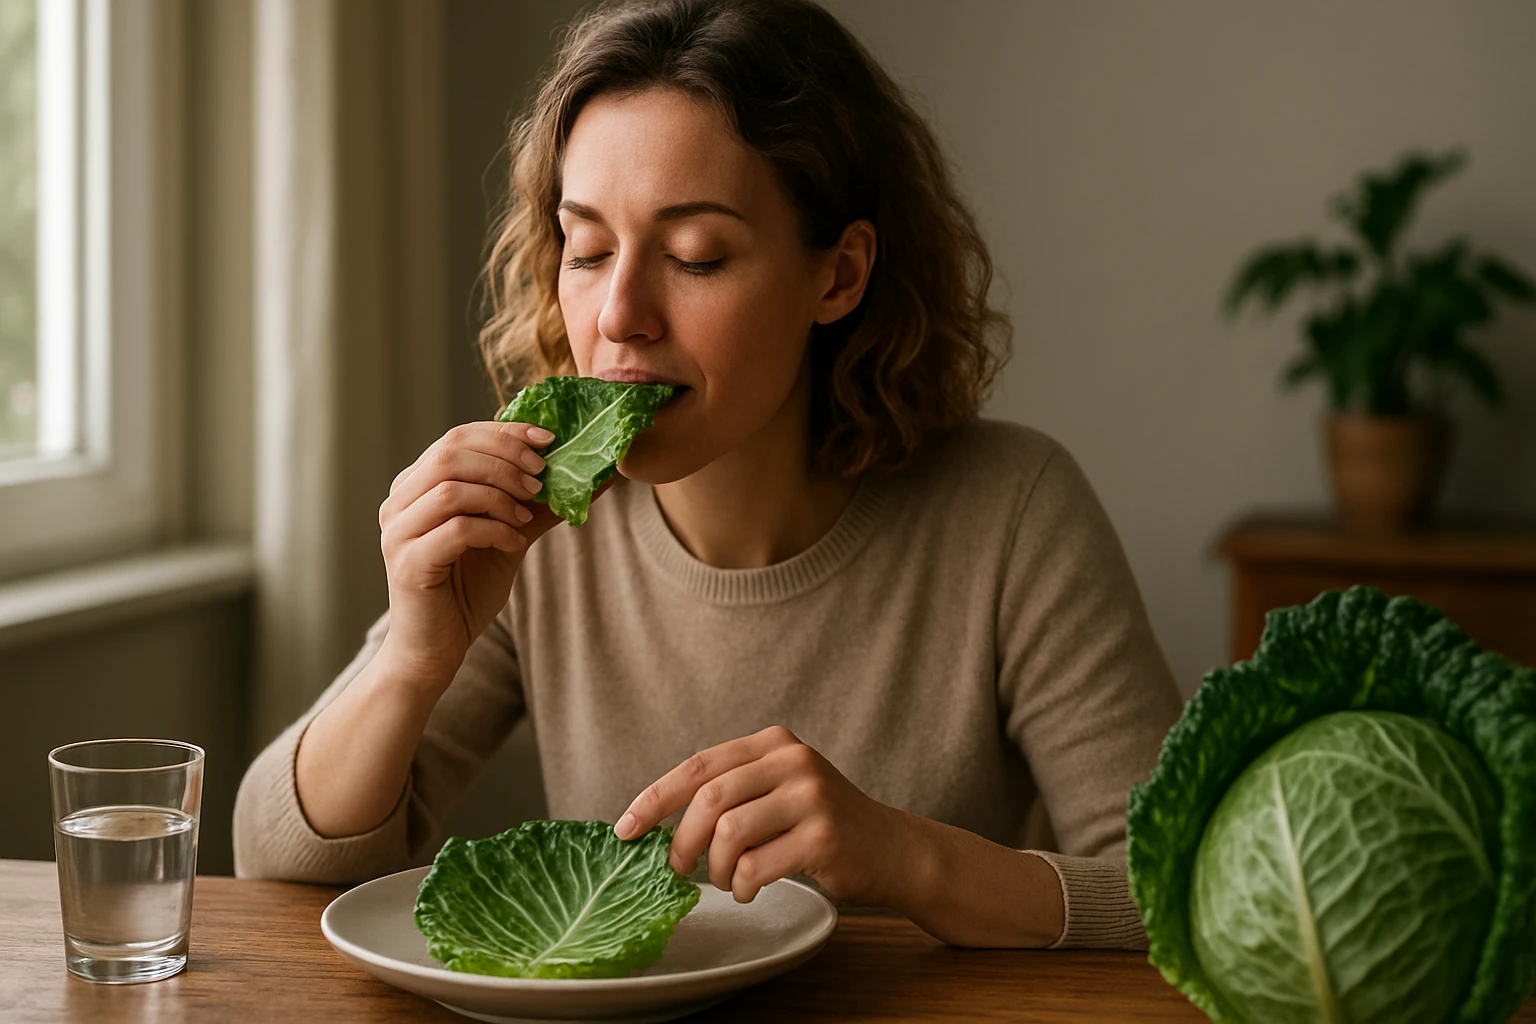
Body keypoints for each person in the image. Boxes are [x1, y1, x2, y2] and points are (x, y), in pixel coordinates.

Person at [233, 0, 1183, 950]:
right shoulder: (538, 524)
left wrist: (907, 857)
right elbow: (272, 863)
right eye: (589, 249)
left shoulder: (1013, 512)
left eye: (696, 255)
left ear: (839, 277)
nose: (619, 314)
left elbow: (1179, 894)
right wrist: (413, 655)